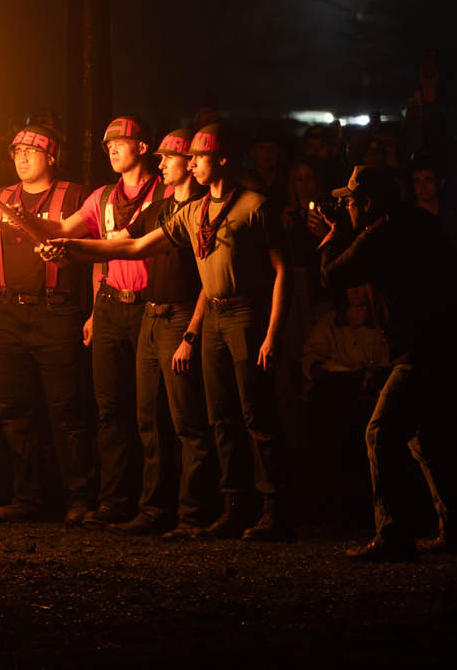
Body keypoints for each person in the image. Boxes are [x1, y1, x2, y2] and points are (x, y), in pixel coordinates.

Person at [45, 124, 292, 540]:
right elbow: (132, 247)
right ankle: (233, 508)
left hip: (243, 315)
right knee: (220, 419)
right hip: (210, 315)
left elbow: (282, 270)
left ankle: (271, 509)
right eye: (189, 156)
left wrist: (272, 332)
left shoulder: (254, 206)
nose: (191, 163)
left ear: (223, 160)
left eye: (198, 156)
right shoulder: (190, 213)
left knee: (254, 416)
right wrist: (71, 249)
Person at [317, 165, 457, 559]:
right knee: (424, 438)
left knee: (380, 433)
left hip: (421, 348)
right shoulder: (418, 220)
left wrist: (334, 239)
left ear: (366, 201)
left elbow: (334, 275)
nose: (346, 207)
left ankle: (392, 535)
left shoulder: (379, 231)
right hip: (449, 342)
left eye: (349, 201)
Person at [36, 116, 163, 527]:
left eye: (120, 142)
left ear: (142, 147)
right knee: (109, 410)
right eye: (107, 143)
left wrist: (68, 247)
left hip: (150, 307)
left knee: (150, 410)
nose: (111, 148)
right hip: (110, 306)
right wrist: (21, 221)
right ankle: (113, 502)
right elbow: (61, 230)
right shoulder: (101, 197)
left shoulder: (166, 192)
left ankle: (155, 506)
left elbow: (106, 244)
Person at [0, 124, 94, 523]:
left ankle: (80, 497)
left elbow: (95, 253)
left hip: (57, 313)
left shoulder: (75, 195)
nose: (22, 157)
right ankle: (26, 496)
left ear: (52, 157)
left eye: (32, 150)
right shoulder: (0, 198)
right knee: (14, 409)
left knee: (67, 411)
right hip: (10, 312)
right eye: (16, 151)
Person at [118, 128, 216, 537]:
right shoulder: (157, 208)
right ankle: (154, 508)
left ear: (188, 163)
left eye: (167, 158)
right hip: (150, 316)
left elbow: (211, 281)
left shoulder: (202, 211)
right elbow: (120, 243)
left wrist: (191, 334)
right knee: (147, 419)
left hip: (179, 318)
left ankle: (193, 513)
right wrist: (66, 245)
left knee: (187, 422)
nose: (160, 164)